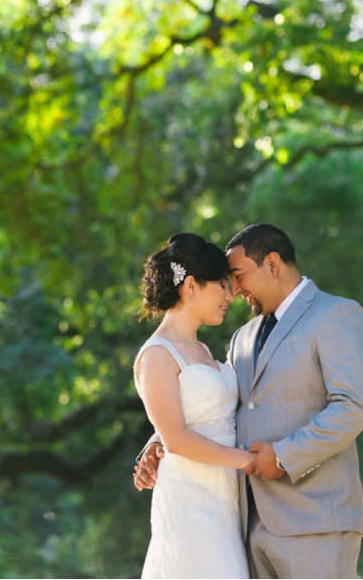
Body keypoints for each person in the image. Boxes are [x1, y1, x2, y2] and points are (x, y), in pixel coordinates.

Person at [135, 222, 363, 580]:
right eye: (225, 281)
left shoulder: (336, 314)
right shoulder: (241, 338)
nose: (234, 290)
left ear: (273, 264)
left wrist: (283, 457)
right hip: (244, 527)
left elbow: (353, 407)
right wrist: (160, 440)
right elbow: (216, 405)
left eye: (238, 275)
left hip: (315, 522)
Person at [133, 232, 252, 579]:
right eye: (221, 285)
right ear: (191, 287)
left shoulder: (202, 351)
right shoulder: (157, 355)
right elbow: (177, 439)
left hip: (225, 505)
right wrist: (251, 461)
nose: (230, 296)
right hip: (190, 504)